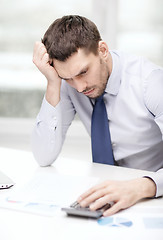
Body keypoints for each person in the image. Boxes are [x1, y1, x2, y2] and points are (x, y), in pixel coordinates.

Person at [32, 15, 163, 216]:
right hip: (106, 196)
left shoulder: (150, 82)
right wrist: (53, 83)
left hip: (152, 197)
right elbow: (43, 156)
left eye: (83, 72)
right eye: (67, 78)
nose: (80, 87)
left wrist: (142, 187)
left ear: (102, 50)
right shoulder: (70, 85)